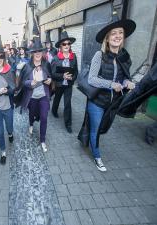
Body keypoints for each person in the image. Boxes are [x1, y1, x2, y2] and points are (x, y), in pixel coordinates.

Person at [81, 11, 136, 172]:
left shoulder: (125, 56)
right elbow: (91, 79)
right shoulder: (99, 55)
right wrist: (111, 84)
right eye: (113, 33)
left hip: (113, 102)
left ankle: (85, 139)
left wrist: (127, 82)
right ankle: (97, 156)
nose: (117, 36)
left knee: (102, 128)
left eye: (120, 33)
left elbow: (124, 77)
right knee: (96, 129)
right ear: (107, 37)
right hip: (97, 101)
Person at [18, 30, 52, 152]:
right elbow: (23, 81)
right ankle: (31, 123)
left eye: (39, 51)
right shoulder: (27, 66)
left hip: (43, 96)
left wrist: (49, 80)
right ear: (32, 53)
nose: (37, 53)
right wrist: (29, 83)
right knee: (31, 114)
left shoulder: (46, 64)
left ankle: (42, 140)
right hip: (32, 97)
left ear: (42, 53)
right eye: (35, 52)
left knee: (44, 117)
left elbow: (50, 76)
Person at [51, 29, 78, 133]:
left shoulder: (74, 57)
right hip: (59, 84)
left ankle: (68, 124)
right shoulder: (55, 59)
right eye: (64, 44)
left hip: (69, 85)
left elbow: (76, 72)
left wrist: (72, 78)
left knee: (67, 104)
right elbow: (53, 74)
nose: (67, 45)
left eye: (68, 44)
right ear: (60, 46)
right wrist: (63, 76)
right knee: (57, 99)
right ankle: (54, 110)